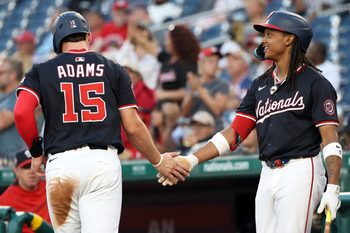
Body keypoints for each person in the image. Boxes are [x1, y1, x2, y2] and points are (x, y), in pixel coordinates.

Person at [158, 11, 342, 233]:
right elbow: (236, 132)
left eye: (270, 34)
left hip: (301, 170)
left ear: (289, 38)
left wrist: (332, 186)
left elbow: (331, 140)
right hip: (267, 172)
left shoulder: (316, 83)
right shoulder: (259, 85)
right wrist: (192, 160)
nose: (263, 40)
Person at [13, 11, 188, 233]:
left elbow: (20, 113)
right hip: (101, 162)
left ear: (58, 40)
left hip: (61, 164)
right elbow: (132, 126)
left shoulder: (41, 70)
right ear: (88, 37)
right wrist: (157, 161)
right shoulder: (113, 68)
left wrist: (37, 152)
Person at [0, 149, 51, 233]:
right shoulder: (4, 200)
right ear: (16, 171)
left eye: (35, 166)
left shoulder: (51, 188)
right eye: (26, 167)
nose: (31, 171)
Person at [182, 47, 229, 131]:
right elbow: (184, 112)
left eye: (216, 62)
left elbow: (218, 110)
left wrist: (199, 89)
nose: (214, 65)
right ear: (201, 63)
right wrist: (192, 91)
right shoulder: (192, 82)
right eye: (210, 61)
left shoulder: (222, 84)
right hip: (194, 129)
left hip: (214, 129)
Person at [0, 58, 26, 164]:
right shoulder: (3, 97)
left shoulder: (20, 94)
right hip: (4, 159)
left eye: (1, 72)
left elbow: (2, 122)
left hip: (17, 159)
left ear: (12, 75)